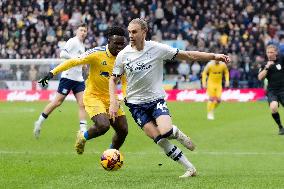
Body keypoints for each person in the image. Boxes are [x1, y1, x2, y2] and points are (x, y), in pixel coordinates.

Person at [109, 18, 230, 178]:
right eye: (129, 31)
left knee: (166, 131)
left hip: (155, 100)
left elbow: (187, 55)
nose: (130, 35)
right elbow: (113, 79)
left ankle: (176, 133)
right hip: (135, 105)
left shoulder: (157, 48)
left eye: (134, 31)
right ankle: (190, 168)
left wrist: (214, 56)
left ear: (144, 32)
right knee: (159, 139)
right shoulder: (123, 55)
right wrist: (113, 101)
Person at [38, 26, 129, 153]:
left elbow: (124, 81)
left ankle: (111, 155)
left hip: (111, 99)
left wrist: (124, 96)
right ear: (109, 41)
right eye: (116, 44)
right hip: (93, 96)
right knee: (103, 126)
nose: (119, 47)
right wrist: (52, 73)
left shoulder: (124, 58)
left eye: (122, 44)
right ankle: (83, 137)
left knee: (123, 130)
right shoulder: (96, 53)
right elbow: (73, 62)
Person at [34, 23, 88, 138]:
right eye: (81, 30)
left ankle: (83, 131)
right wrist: (76, 60)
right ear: (77, 31)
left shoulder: (82, 45)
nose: (83, 32)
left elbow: (79, 60)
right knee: (57, 102)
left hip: (78, 79)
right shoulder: (73, 41)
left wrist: (83, 65)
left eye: (85, 31)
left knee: (82, 104)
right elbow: (62, 54)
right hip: (68, 77)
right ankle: (39, 122)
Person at [258, 45, 284, 135]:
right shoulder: (265, 65)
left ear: (276, 52)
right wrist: (267, 67)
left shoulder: (282, 60)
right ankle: (281, 127)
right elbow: (260, 77)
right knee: (273, 107)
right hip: (272, 91)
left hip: (283, 89)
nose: (269, 54)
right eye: (268, 52)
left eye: (271, 52)